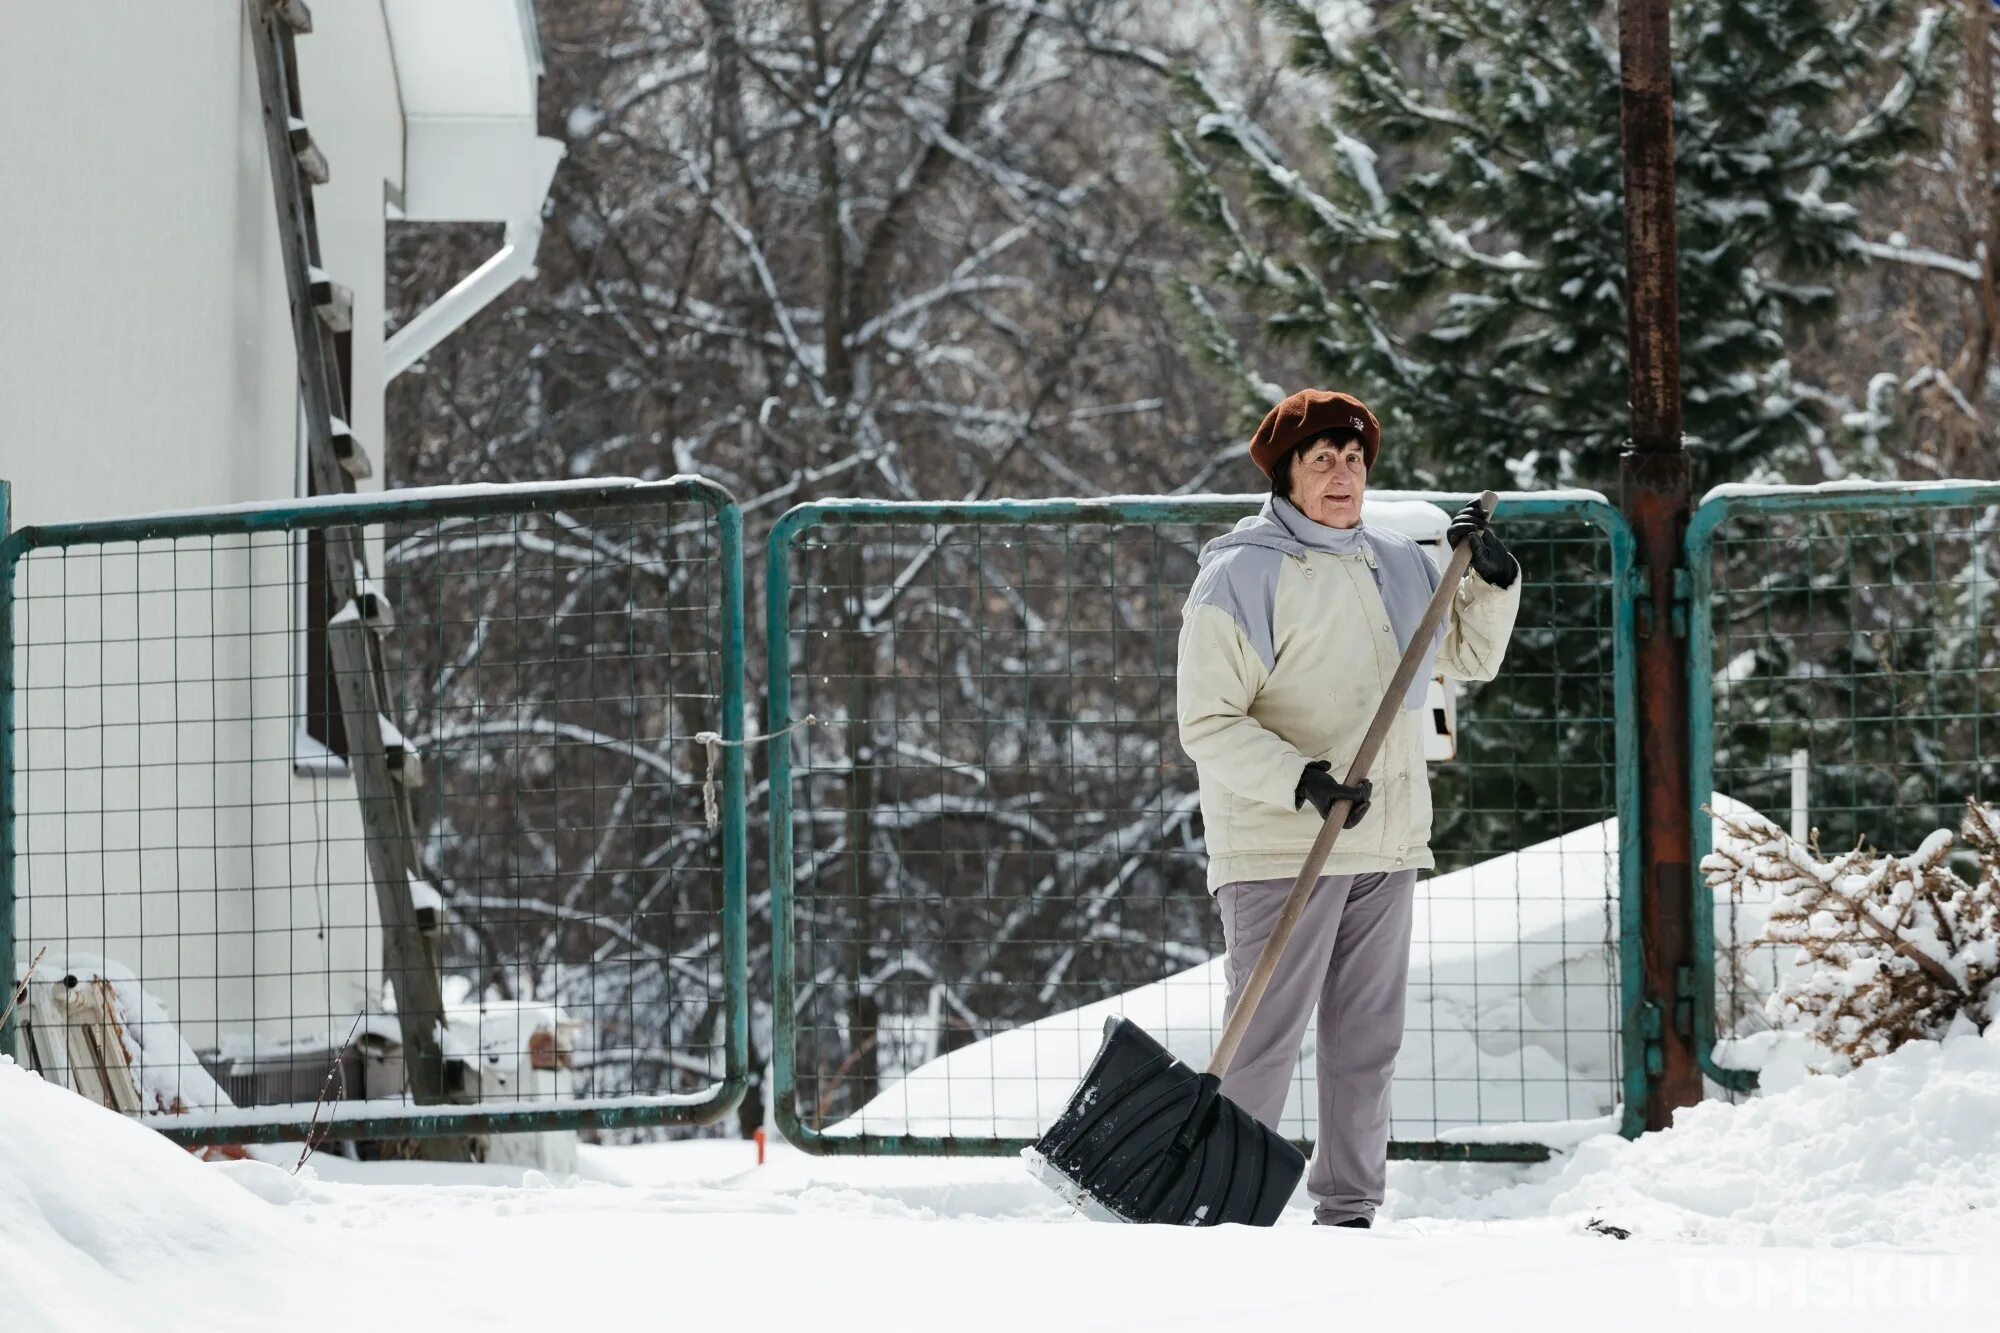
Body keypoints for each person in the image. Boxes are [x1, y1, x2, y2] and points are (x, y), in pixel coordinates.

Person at [1174, 388, 1522, 1228]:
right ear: (1286, 473)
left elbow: (1469, 656)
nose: (1343, 475)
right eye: (1322, 459)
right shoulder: (1241, 574)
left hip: (1385, 838)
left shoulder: (1398, 559)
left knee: (1366, 1044)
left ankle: (1351, 1208)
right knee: (1262, 1038)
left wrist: (1491, 580)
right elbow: (1207, 722)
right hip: (1279, 844)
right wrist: (1301, 780)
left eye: (1355, 459)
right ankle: (1221, 1210)